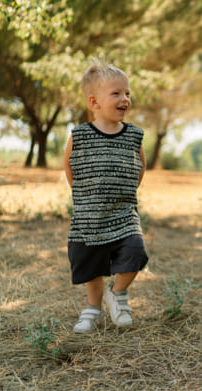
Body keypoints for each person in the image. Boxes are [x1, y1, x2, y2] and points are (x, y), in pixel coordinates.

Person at [63, 59, 149, 334]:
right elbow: (70, 166)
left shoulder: (134, 135)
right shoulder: (80, 135)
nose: (125, 98)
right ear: (94, 102)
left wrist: (124, 192)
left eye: (127, 93)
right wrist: (85, 196)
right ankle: (92, 310)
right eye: (116, 93)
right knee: (93, 264)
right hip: (90, 215)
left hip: (124, 213)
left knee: (135, 253)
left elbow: (140, 165)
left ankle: (118, 294)